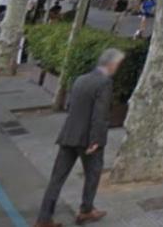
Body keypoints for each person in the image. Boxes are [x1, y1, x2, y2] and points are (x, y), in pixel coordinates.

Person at [34, 47, 123, 227]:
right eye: (118, 64)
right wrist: (96, 140)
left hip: (68, 134)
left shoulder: (80, 79)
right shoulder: (104, 83)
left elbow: (71, 106)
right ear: (112, 64)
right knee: (93, 174)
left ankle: (44, 218)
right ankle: (86, 210)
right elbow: (100, 114)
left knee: (56, 179)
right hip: (87, 138)